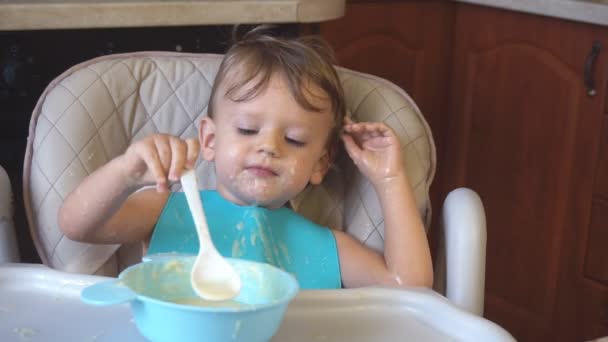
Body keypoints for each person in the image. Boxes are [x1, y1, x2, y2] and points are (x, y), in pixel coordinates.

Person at [58, 28, 433, 290]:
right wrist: (125, 172)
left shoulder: (328, 247)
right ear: (209, 140)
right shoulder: (168, 210)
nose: (268, 147)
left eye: (294, 139)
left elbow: (409, 287)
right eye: (248, 131)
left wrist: (389, 180)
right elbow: (77, 226)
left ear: (321, 163)